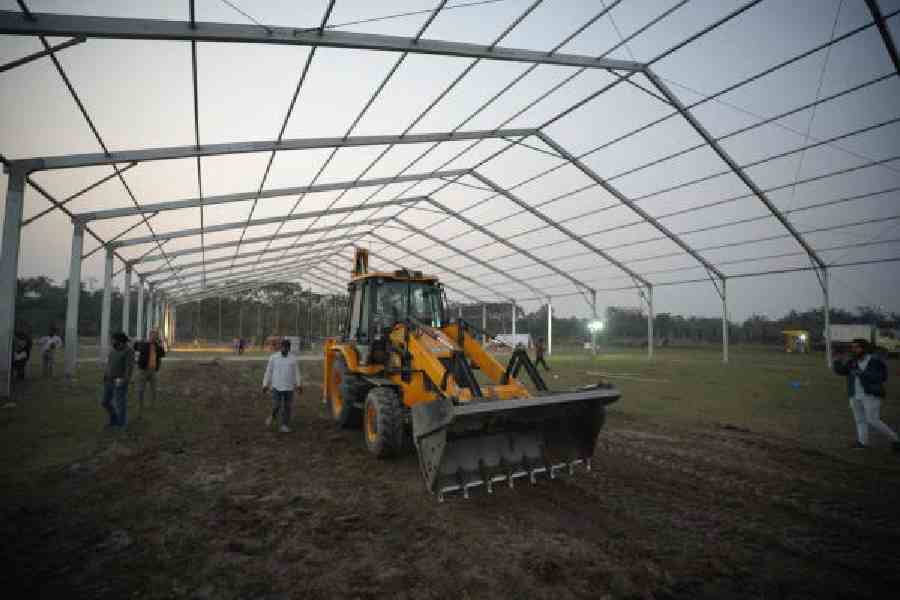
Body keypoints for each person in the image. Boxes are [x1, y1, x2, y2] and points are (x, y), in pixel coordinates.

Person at [834, 338, 898, 452]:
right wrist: (837, 361)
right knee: (860, 420)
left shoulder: (875, 361)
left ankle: (896, 440)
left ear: (864, 349)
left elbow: (882, 377)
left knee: (873, 420)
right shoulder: (852, 361)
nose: (853, 349)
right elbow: (842, 371)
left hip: (871, 394)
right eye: (852, 347)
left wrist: (863, 374)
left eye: (857, 347)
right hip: (854, 394)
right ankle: (862, 443)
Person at [262, 338, 303, 433]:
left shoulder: (293, 359)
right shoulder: (273, 357)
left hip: (289, 387)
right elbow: (268, 371)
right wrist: (265, 384)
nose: (284, 349)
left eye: (286, 347)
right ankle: (272, 416)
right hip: (276, 386)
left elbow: (297, 373)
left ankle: (284, 425)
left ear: (289, 348)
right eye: (283, 347)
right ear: (281, 347)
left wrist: (299, 385)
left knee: (287, 407)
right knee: (276, 405)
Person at [102, 332, 134, 428]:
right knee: (105, 402)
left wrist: (124, 380)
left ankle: (121, 423)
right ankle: (115, 419)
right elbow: (109, 363)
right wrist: (106, 374)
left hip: (119, 381)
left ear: (120, 341)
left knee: (120, 403)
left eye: (113, 340)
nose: (111, 342)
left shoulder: (128, 351)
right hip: (108, 380)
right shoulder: (113, 350)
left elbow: (129, 368)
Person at [133, 329, 166, 415]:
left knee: (154, 389)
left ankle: (153, 405)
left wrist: (159, 344)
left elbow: (163, 354)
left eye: (156, 336)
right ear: (150, 336)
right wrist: (138, 341)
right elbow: (135, 347)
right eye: (153, 335)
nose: (155, 337)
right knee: (141, 389)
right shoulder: (144, 344)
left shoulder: (157, 346)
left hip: (153, 370)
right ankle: (140, 405)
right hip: (143, 370)